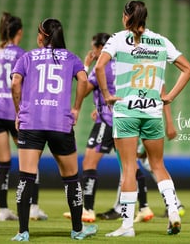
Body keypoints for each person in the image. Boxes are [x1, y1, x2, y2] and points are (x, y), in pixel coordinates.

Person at [95, 0, 190, 237]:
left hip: (126, 111)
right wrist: (168, 96)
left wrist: (108, 95)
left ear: (125, 16)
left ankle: (127, 226)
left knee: (128, 167)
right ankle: (172, 212)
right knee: (158, 165)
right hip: (152, 112)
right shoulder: (161, 40)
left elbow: (100, 68)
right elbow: (188, 69)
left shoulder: (118, 39)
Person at [10, 18, 98, 241]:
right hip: (60, 122)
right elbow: (83, 80)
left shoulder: (27, 57)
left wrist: (19, 111)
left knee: (25, 177)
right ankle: (78, 230)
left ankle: (22, 232)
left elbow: (14, 83)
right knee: (71, 178)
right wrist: (76, 108)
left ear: (43, 35)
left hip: (32, 123)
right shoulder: (72, 58)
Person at [62, 33, 154, 223]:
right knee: (129, 165)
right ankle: (144, 207)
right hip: (126, 120)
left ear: (100, 48)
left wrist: (86, 65)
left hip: (107, 122)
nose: (92, 52)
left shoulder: (101, 66)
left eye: (94, 48)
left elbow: (85, 89)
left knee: (89, 163)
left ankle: (87, 209)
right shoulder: (124, 64)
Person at [0, 12, 47, 222]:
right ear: (20, 32)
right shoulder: (22, 54)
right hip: (16, 113)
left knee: (3, 163)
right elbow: (28, 85)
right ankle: (33, 207)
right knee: (30, 161)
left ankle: (3, 210)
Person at [98, 101, 185, 222]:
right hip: (151, 121)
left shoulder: (129, 89)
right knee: (155, 167)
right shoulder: (153, 85)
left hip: (135, 125)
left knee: (129, 167)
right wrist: (169, 123)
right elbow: (165, 96)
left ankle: (127, 213)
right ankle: (173, 208)